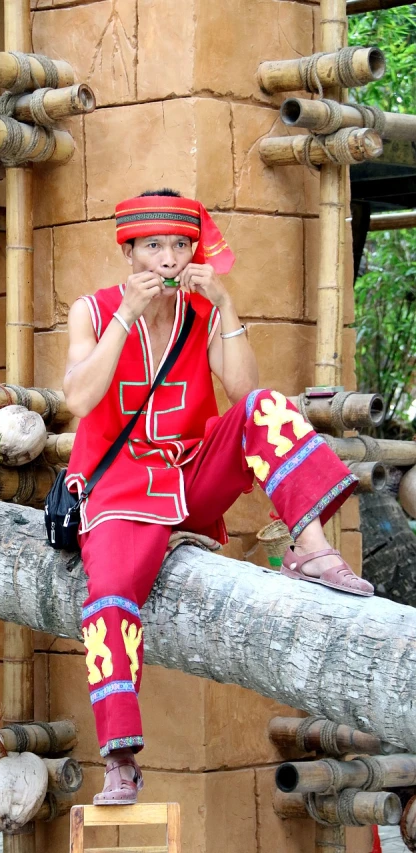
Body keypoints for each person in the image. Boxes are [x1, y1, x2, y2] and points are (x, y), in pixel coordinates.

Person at [63, 188, 373, 806]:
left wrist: (225, 303)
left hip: (188, 479)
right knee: (110, 595)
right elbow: (78, 400)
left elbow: (243, 390)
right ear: (129, 252)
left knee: (266, 407)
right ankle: (121, 757)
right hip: (119, 491)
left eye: (180, 245)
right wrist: (126, 315)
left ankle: (310, 548)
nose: (169, 259)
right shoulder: (92, 311)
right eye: (153, 247)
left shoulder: (202, 314)